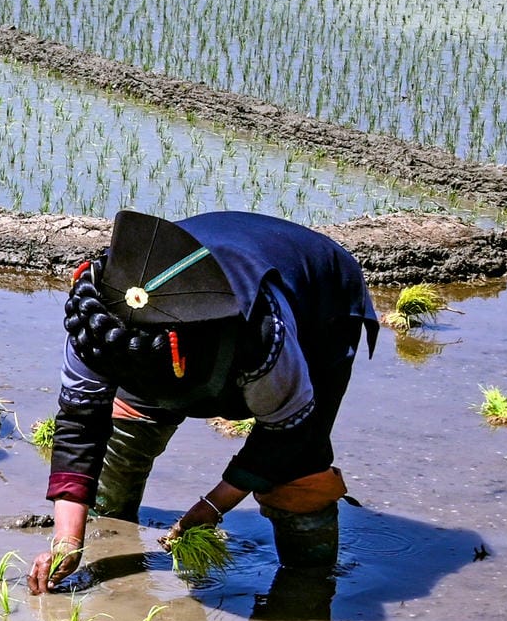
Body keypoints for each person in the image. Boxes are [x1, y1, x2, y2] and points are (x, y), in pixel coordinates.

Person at [29, 209, 378, 591]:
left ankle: (307, 590)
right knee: (125, 432)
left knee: (296, 472)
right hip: (163, 320)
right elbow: (80, 426)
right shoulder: (98, 318)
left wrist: (211, 508)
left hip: (317, 302)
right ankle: (111, 544)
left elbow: (285, 431)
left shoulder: (261, 332)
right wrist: (67, 539)